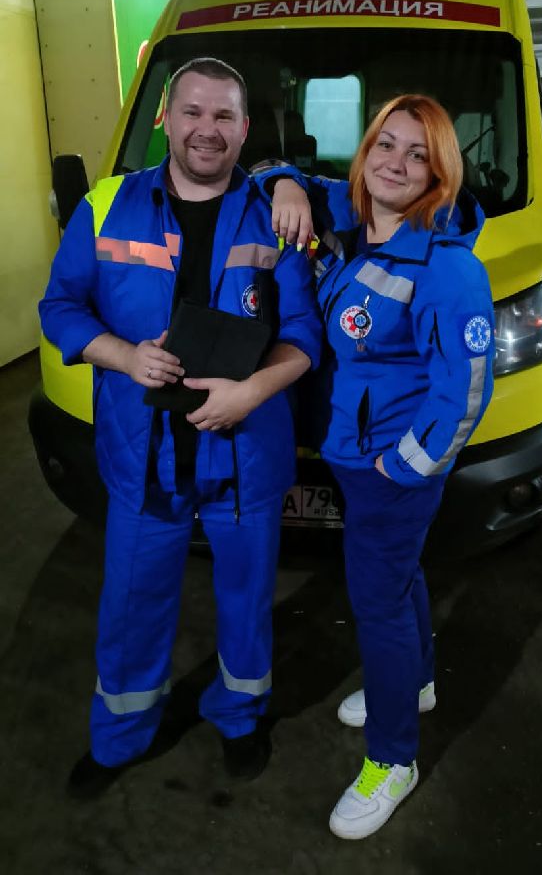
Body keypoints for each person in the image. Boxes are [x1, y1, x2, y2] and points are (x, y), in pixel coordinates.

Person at [39, 57, 322, 797]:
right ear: (165, 117)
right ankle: (120, 736)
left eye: (224, 115)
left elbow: (303, 335)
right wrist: (123, 356)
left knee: (246, 603)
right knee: (132, 604)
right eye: (192, 111)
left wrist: (249, 392)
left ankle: (240, 716)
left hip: (245, 455)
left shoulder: (275, 216)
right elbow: (60, 307)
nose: (207, 129)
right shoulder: (106, 206)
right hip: (142, 456)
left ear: (246, 129)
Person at [261, 94, 495, 840]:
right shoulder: (353, 215)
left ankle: (393, 759)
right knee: (399, 579)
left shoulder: (448, 270)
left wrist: (403, 467)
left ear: (439, 173)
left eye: (417, 154)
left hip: (390, 469)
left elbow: (464, 393)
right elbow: (270, 176)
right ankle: (417, 682)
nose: (395, 162)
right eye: (384, 144)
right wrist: (287, 183)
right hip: (354, 454)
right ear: (364, 153)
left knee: (378, 604)